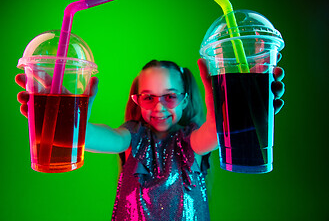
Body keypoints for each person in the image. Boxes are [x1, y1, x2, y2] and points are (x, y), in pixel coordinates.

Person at [15, 58, 285, 220]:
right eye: (148, 97)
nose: (159, 107)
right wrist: (68, 118)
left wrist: (237, 112)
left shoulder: (190, 140)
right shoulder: (132, 136)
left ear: (184, 98)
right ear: (137, 100)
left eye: (169, 96)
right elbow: (95, 138)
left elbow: (214, 134)